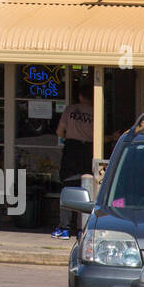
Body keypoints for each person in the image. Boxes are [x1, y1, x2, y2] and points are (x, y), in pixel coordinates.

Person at [52, 81, 94, 238]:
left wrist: (67, 137)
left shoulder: (70, 110)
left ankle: (64, 227)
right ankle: (82, 229)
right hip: (89, 150)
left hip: (71, 149)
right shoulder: (96, 112)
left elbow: (59, 131)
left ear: (80, 96)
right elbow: (100, 136)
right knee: (86, 189)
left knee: (68, 187)